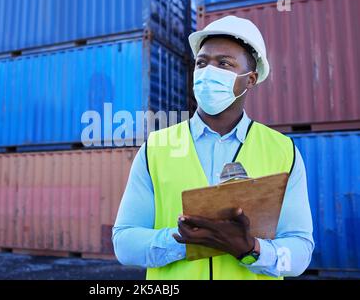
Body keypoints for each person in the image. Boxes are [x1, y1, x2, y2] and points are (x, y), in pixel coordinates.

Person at [112, 15, 314, 280]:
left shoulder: (283, 151)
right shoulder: (155, 149)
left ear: (250, 79)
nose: (208, 71)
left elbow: (300, 252)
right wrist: (185, 242)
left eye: (224, 64)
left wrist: (251, 249)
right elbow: (124, 243)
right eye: (202, 63)